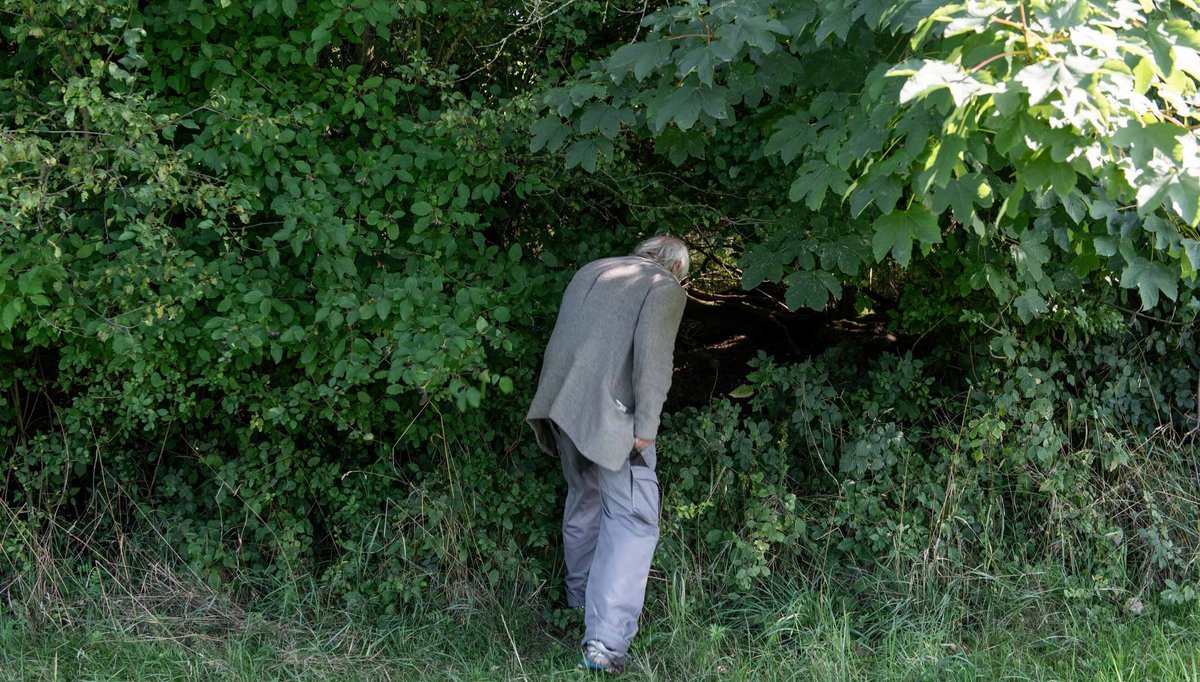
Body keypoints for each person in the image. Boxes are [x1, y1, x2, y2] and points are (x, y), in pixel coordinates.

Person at [526, 235, 689, 674]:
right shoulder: (663, 287)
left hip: (561, 407)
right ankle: (605, 642)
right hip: (611, 418)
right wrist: (646, 427)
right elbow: (654, 360)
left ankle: (579, 603)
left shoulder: (593, 269)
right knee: (634, 520)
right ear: (676, 268)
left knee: (585, 500)